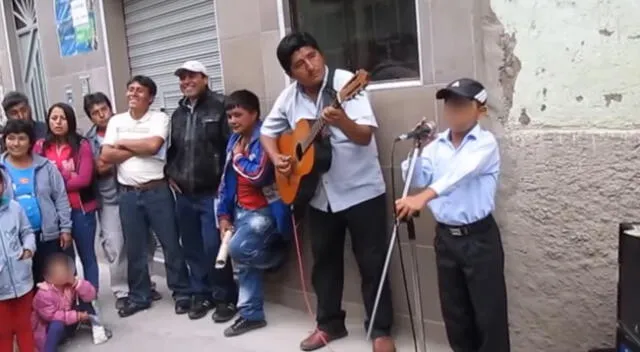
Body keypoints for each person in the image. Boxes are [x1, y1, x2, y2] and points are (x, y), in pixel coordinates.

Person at [260, 32, 396, 352]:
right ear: (290, 73)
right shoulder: (289, 97)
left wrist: (341, 120)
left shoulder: (346, 83)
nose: (310, 66)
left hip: (362, 190)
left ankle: (380, 329)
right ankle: (329, 325)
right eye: (299, 64)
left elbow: (364, 136)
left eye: (313, 56)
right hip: (319, 195)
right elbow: (268, 132)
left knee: (372, 263)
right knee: (325, 264)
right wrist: (277, 157)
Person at [395, 78, 510, 352]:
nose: (453, 110)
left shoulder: (485, 144)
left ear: (479, 109)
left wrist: (423, 197)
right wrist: (419, 148)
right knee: (456, 316)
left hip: (478, 239)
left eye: (461, 103)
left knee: (488, 316)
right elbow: (415, 177)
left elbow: (461, 174)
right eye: (449, 103)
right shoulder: (436, 146)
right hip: (446, 238)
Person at [100, 75, 192, 318]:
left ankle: (182, 293)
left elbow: (153, 146)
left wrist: (122, 144)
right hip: (128, 194)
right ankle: (139, 296)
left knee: (171, 244)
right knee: (135, 248)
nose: (133, 94)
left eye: (139, 91)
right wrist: (136, 147)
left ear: (150, 97)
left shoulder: (159, 118)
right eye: (130, 90)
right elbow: (107, 155)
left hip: (157, 191)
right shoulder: (116, 120)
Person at [165, 60, 238, 321]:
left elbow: (232, 149)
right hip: (184, 194)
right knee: (192, 247)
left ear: (205, 78)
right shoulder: (178, 113)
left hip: (212, 193)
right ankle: (201, 294)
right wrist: (169, 174)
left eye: (191, 76)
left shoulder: (221, 106)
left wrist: (227, 188)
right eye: (182, 78)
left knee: (214, 246)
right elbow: (173, 150)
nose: (186, 82)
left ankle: (224, 297)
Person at [217, 90, 291, 337]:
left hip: (264, 211)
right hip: (241, 210)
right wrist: (223, 215)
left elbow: (260, 176)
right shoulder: (234, 139)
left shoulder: (264, 138)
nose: (233, 121)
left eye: (238, 115)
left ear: (254, 114)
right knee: (243, 262)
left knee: (238, 250)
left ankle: (275, 258)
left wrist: (238, 157)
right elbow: (226, 182)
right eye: (229, 116)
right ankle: (251, 315)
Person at [83, 92, 161, 310]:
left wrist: (115, 154)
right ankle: (122, 290)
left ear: (111, 107)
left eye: (104, 110)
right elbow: (99, 168)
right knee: (116, 246)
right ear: (90, 117)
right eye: (95, 113)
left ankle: (146, 284)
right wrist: (132, 150)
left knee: (145, 242)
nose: (101, 116)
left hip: (137, 191)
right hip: (111, 200)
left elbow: (151, 151)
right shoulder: (88, 141)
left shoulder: (126, 127)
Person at [0, 119, 73, 284]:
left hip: (46, 236)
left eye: (21, 138)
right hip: (12, 239)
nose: (16, 143)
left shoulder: (45, 166)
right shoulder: (1, 169)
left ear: (30, 142)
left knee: (51, 283)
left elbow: (60, 197)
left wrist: (65, 229)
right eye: (11, 138)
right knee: (23, 285)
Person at [0, 170, 37, 352]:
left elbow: (27, 231)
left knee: (25, 328)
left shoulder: (14, 207)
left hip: (23, 282)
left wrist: (28, 249)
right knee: (3, 334)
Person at [32, 253, 97, 352]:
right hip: (48, 331)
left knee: (86, 301)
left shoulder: (70, 285)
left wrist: (77, 283)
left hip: (68, 322)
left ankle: (97, 327)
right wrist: (77, 316)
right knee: (56, 325)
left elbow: (91, 295)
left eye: (65, 270)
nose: (64, 274)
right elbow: (51, 316)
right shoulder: (44, 293)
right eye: (59, 272)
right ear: (49, 276)